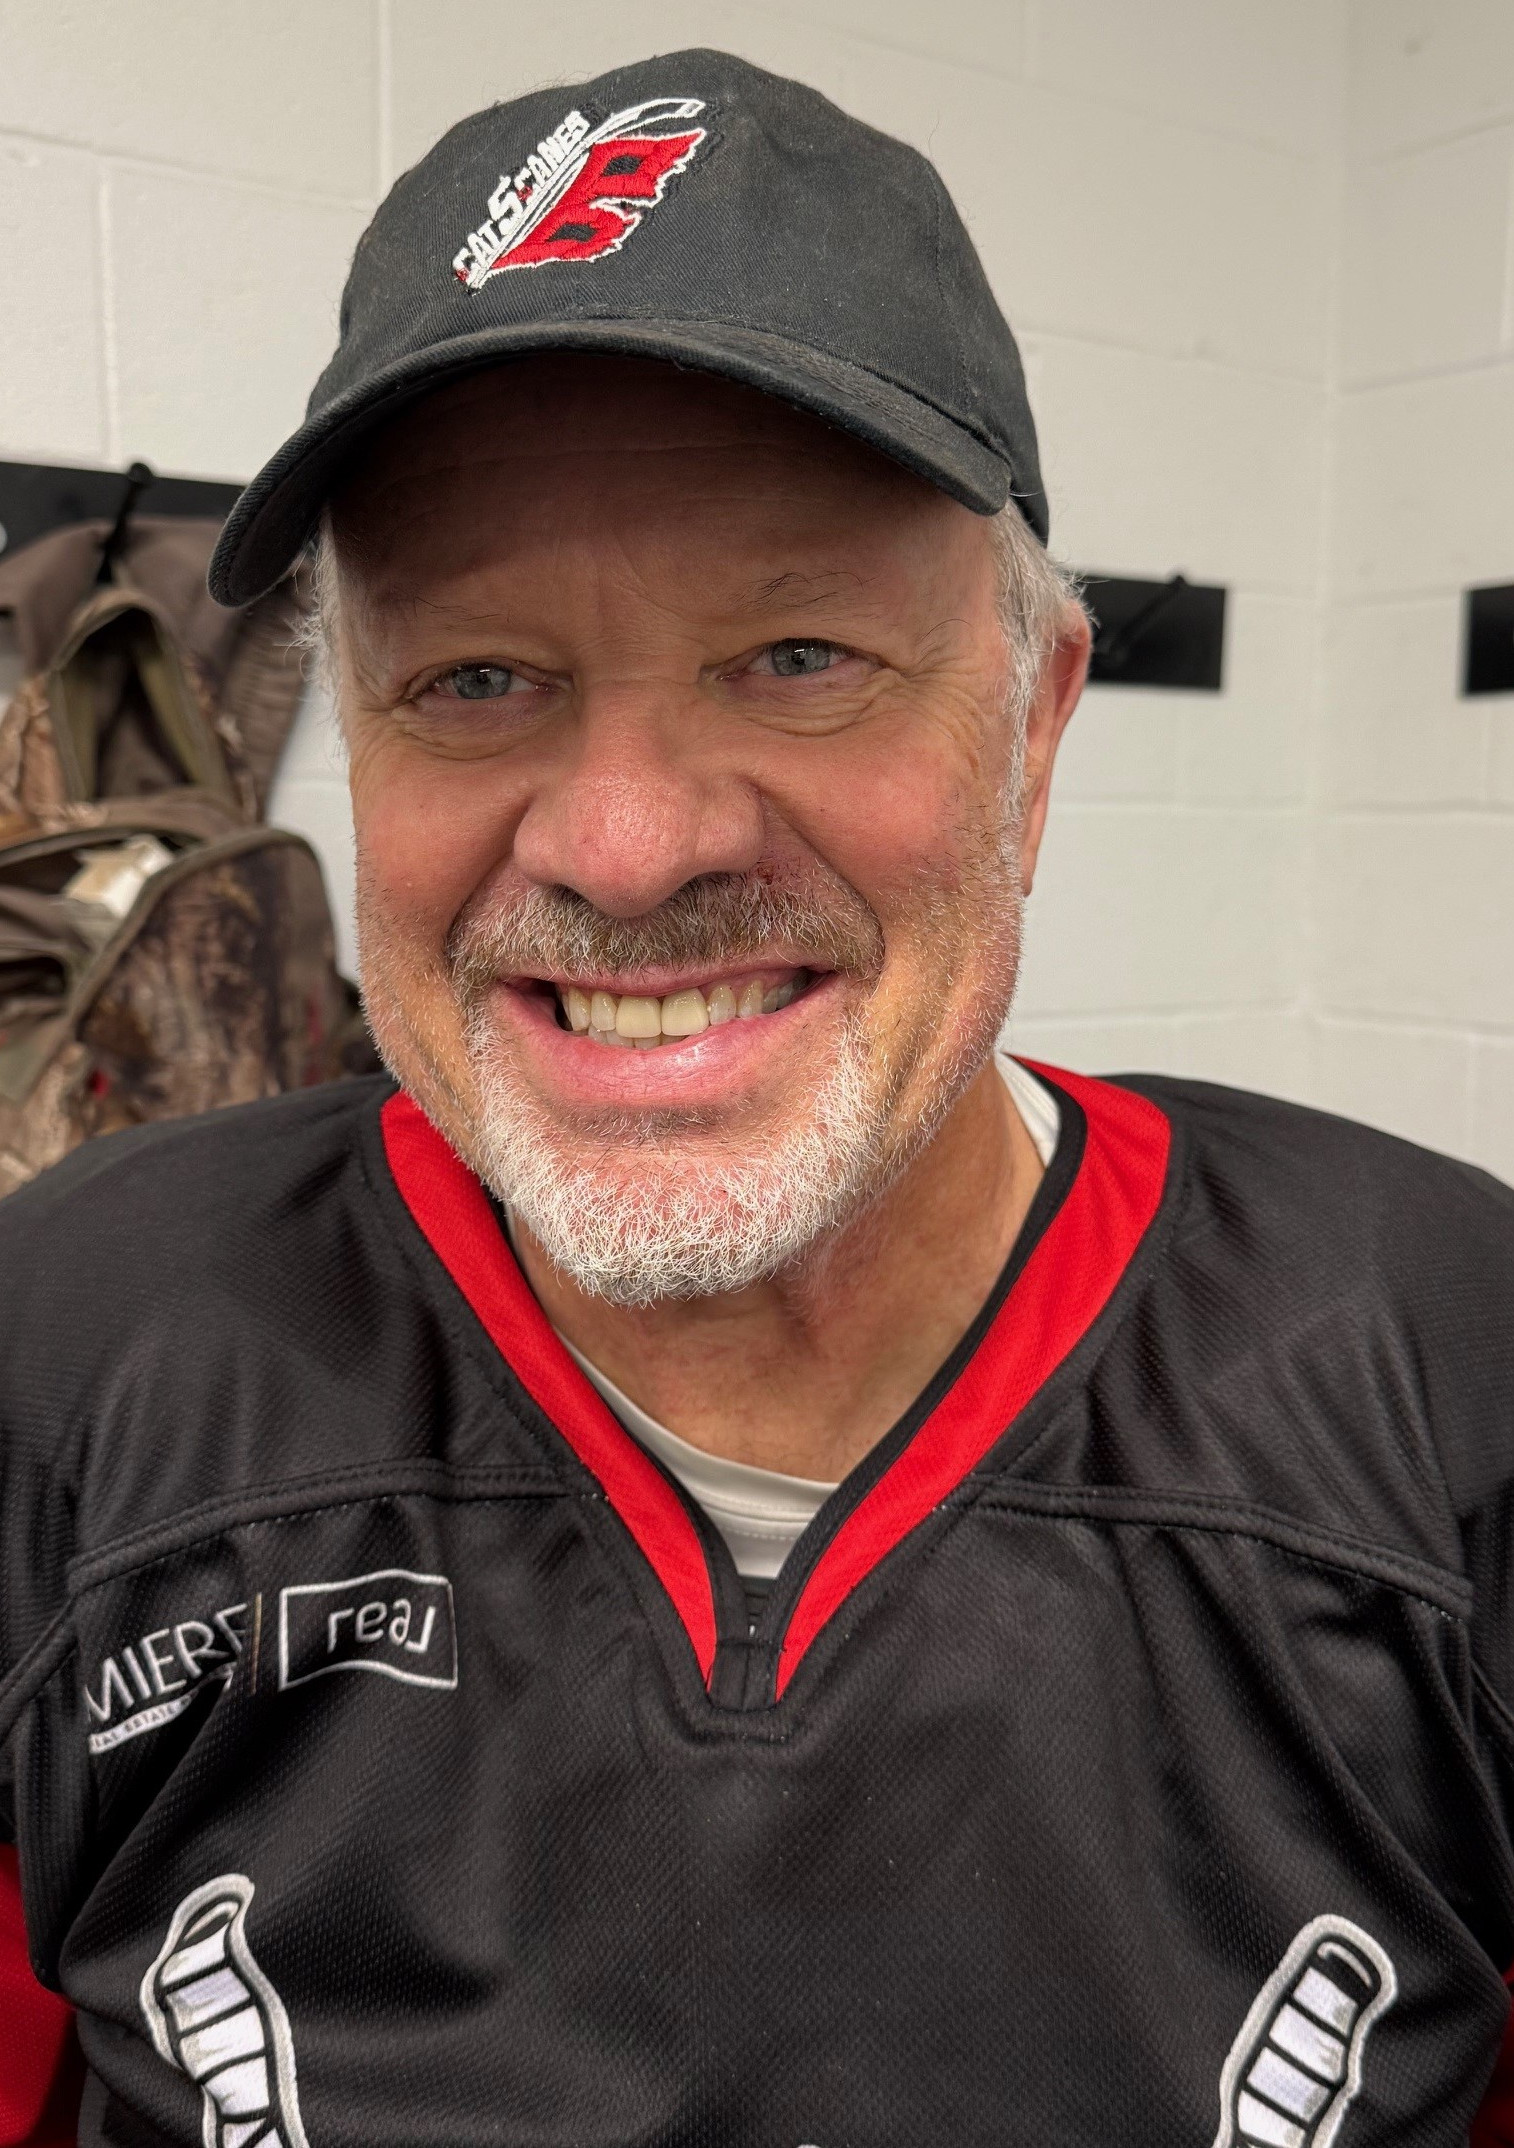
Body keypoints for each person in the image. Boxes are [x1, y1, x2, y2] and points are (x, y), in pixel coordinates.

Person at [1, 46, 1511, 2148]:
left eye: (798, 658)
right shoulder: (77, 1340)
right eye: (474, 679)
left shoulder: (1443, 1362)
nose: (625, 848)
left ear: (1034, 724)